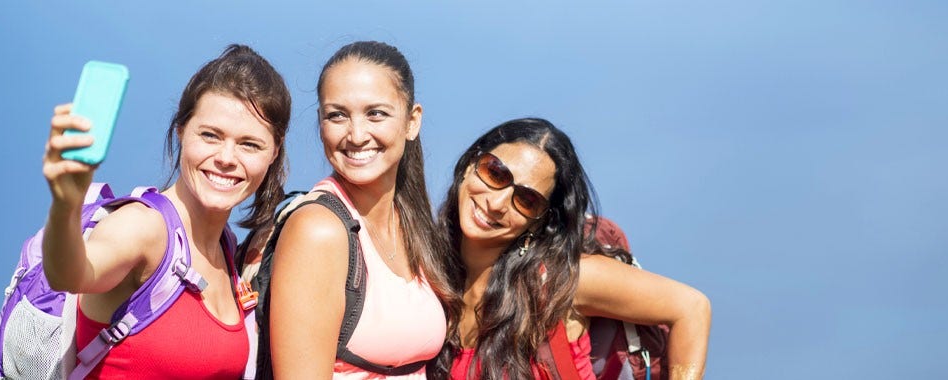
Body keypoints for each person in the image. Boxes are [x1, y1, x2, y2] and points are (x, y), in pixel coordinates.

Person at [41, 44, 291, 378]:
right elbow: (69, 274)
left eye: (249, 144)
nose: (227, 157)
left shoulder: (228, 250)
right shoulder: (144, 228)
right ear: (181, 132)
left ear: (274, 153)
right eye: (210, 136)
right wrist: (65, 207)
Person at [433, 118, 712, 380]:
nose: (497, 203)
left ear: (539, 221)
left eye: (527, 200)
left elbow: (691, 308)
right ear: (471, 163)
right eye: (495, 173)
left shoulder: (560, 282)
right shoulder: (425, 273)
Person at [266, 41, 454, 379]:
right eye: (337, 115)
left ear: (412, 122)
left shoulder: (412, 223)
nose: (356, 135)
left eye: (375, 113)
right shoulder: (318, 230)